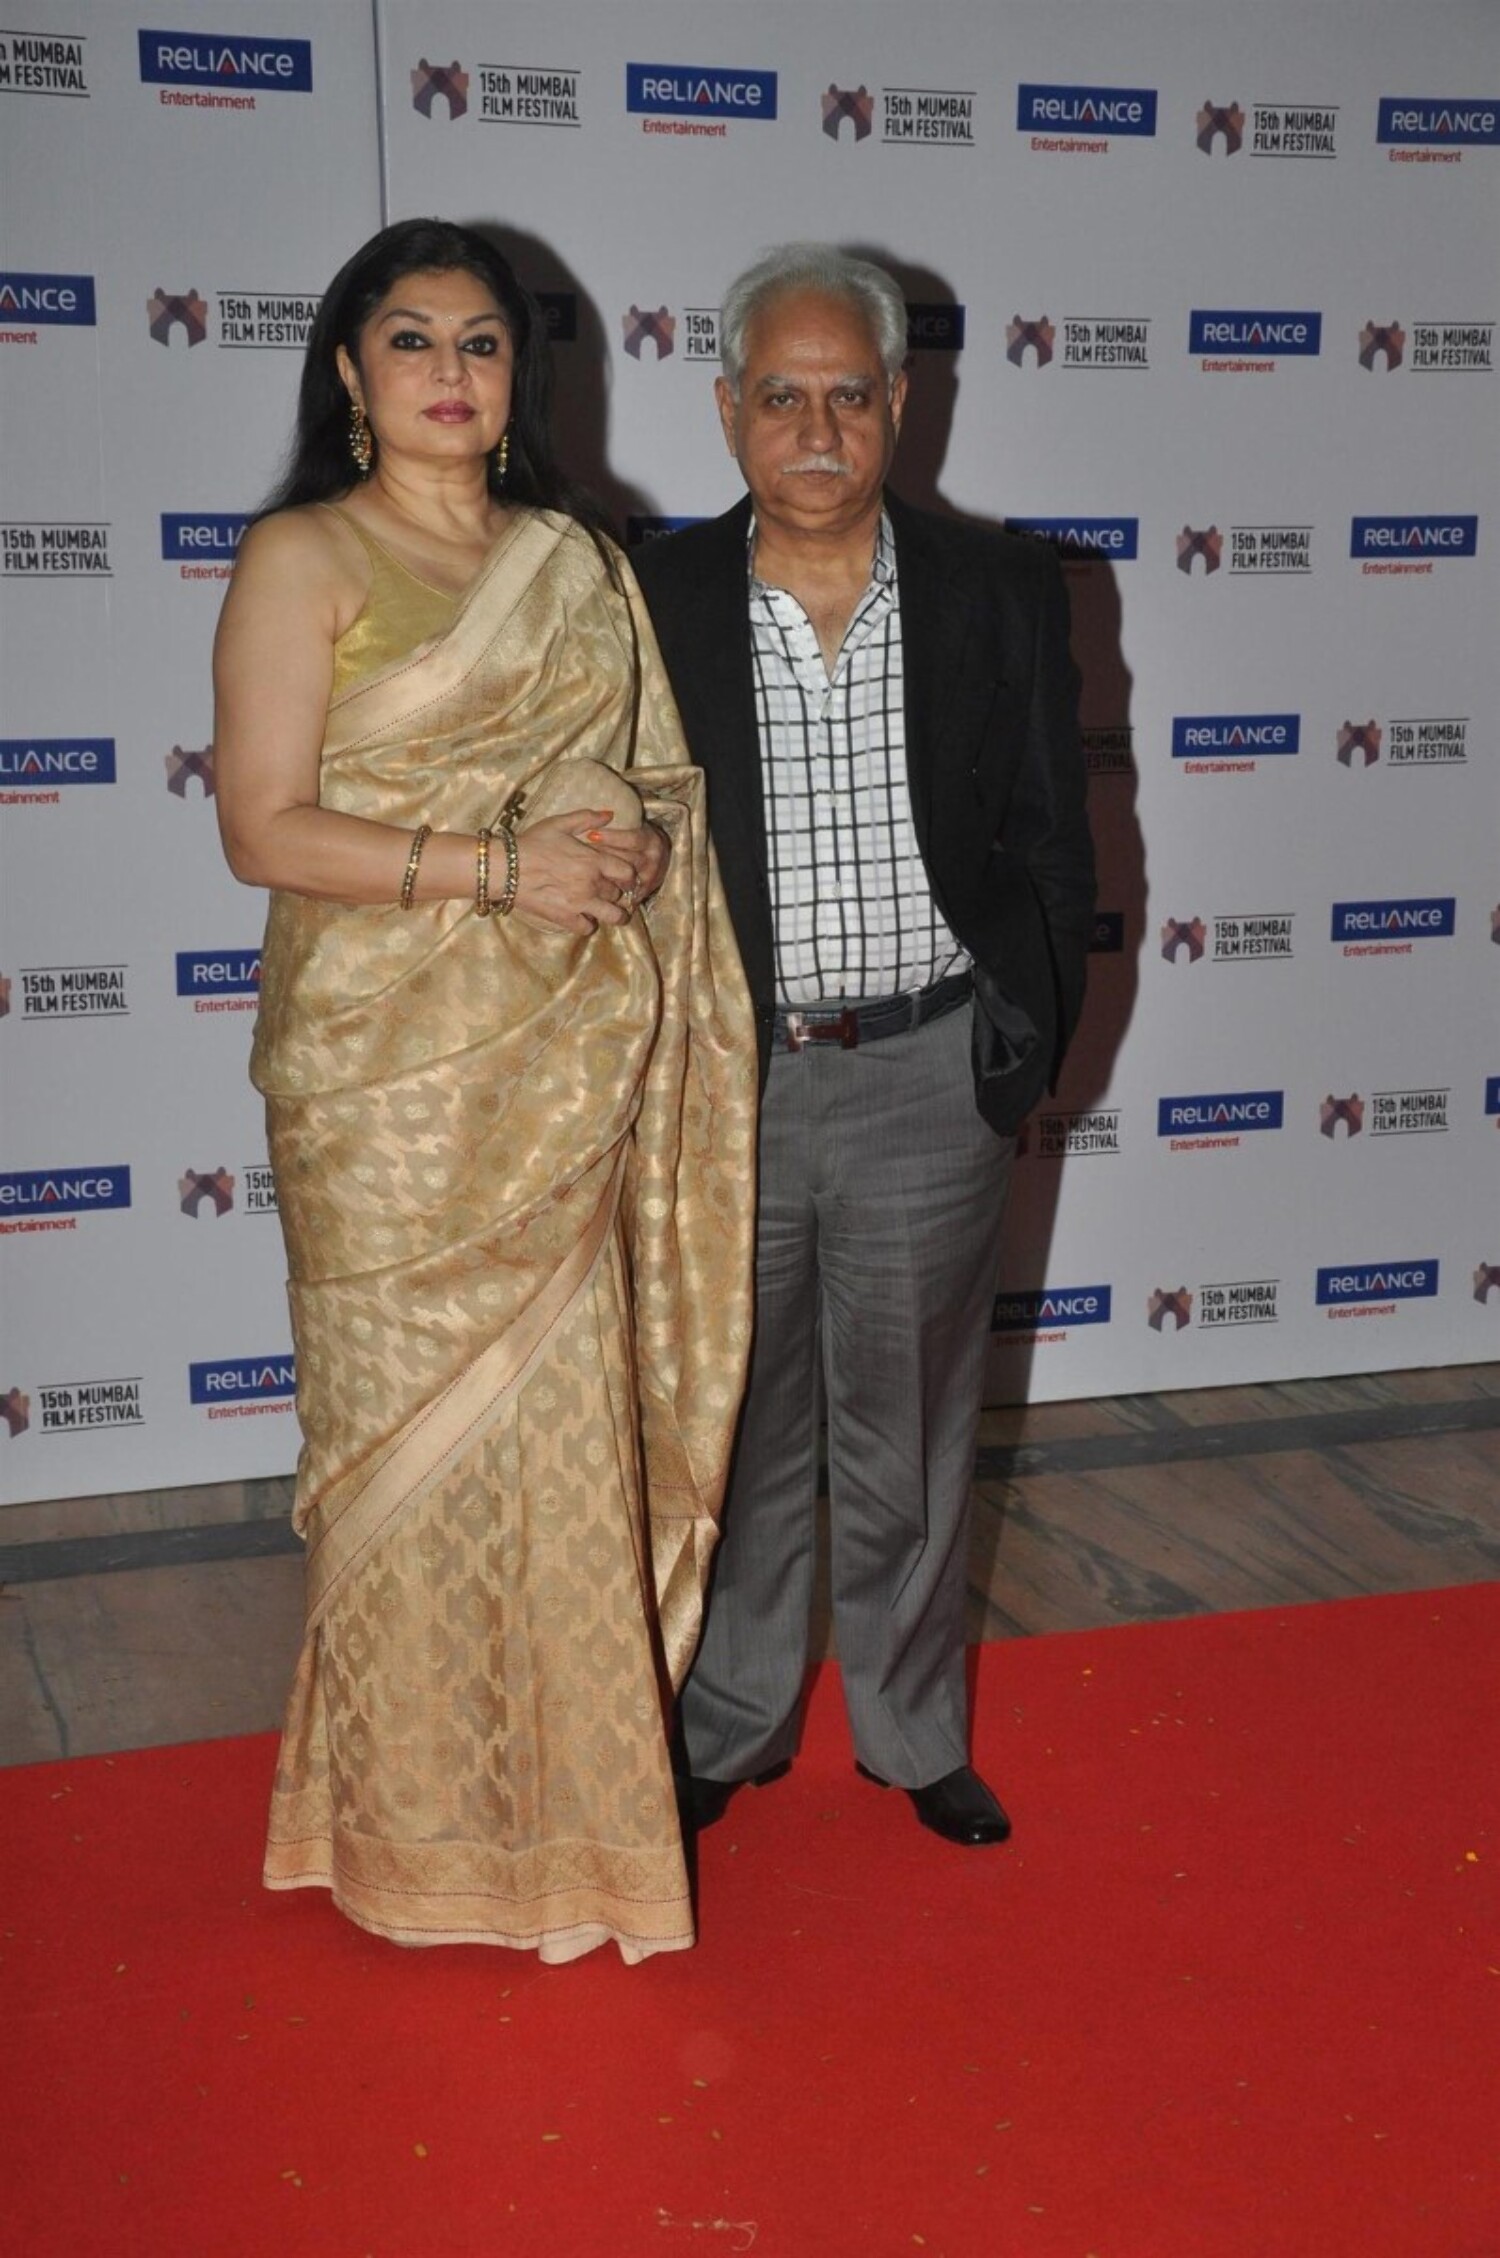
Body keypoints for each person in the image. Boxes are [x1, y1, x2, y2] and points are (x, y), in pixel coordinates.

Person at [213, 218, 755, 1961]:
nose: (451, 373)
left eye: (483, 343)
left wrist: (615, 850)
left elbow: (655, 784)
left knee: (553, 1447)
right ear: (352, 373)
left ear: (521, 378)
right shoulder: (305, 555)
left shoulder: (580, 564)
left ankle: (567, 1833)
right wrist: (492, 870)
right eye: (412, 339)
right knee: (409, 1457)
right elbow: (262, 826)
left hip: (561, 1061)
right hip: (387, 1084)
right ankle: (408, 1832)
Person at [633, 245, 1094, 1847]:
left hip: (923, 1073)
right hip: (724, 1085)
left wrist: (1014, 1057)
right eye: (781, 394)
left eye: (850, 393)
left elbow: (1055, 846)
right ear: (725, 408)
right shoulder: (652, 596)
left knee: (908, 1433)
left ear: (903, 401)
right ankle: (735, 1719)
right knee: (739, 1428)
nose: (816, 426)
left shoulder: (1002, 592)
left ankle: (911, 1734)